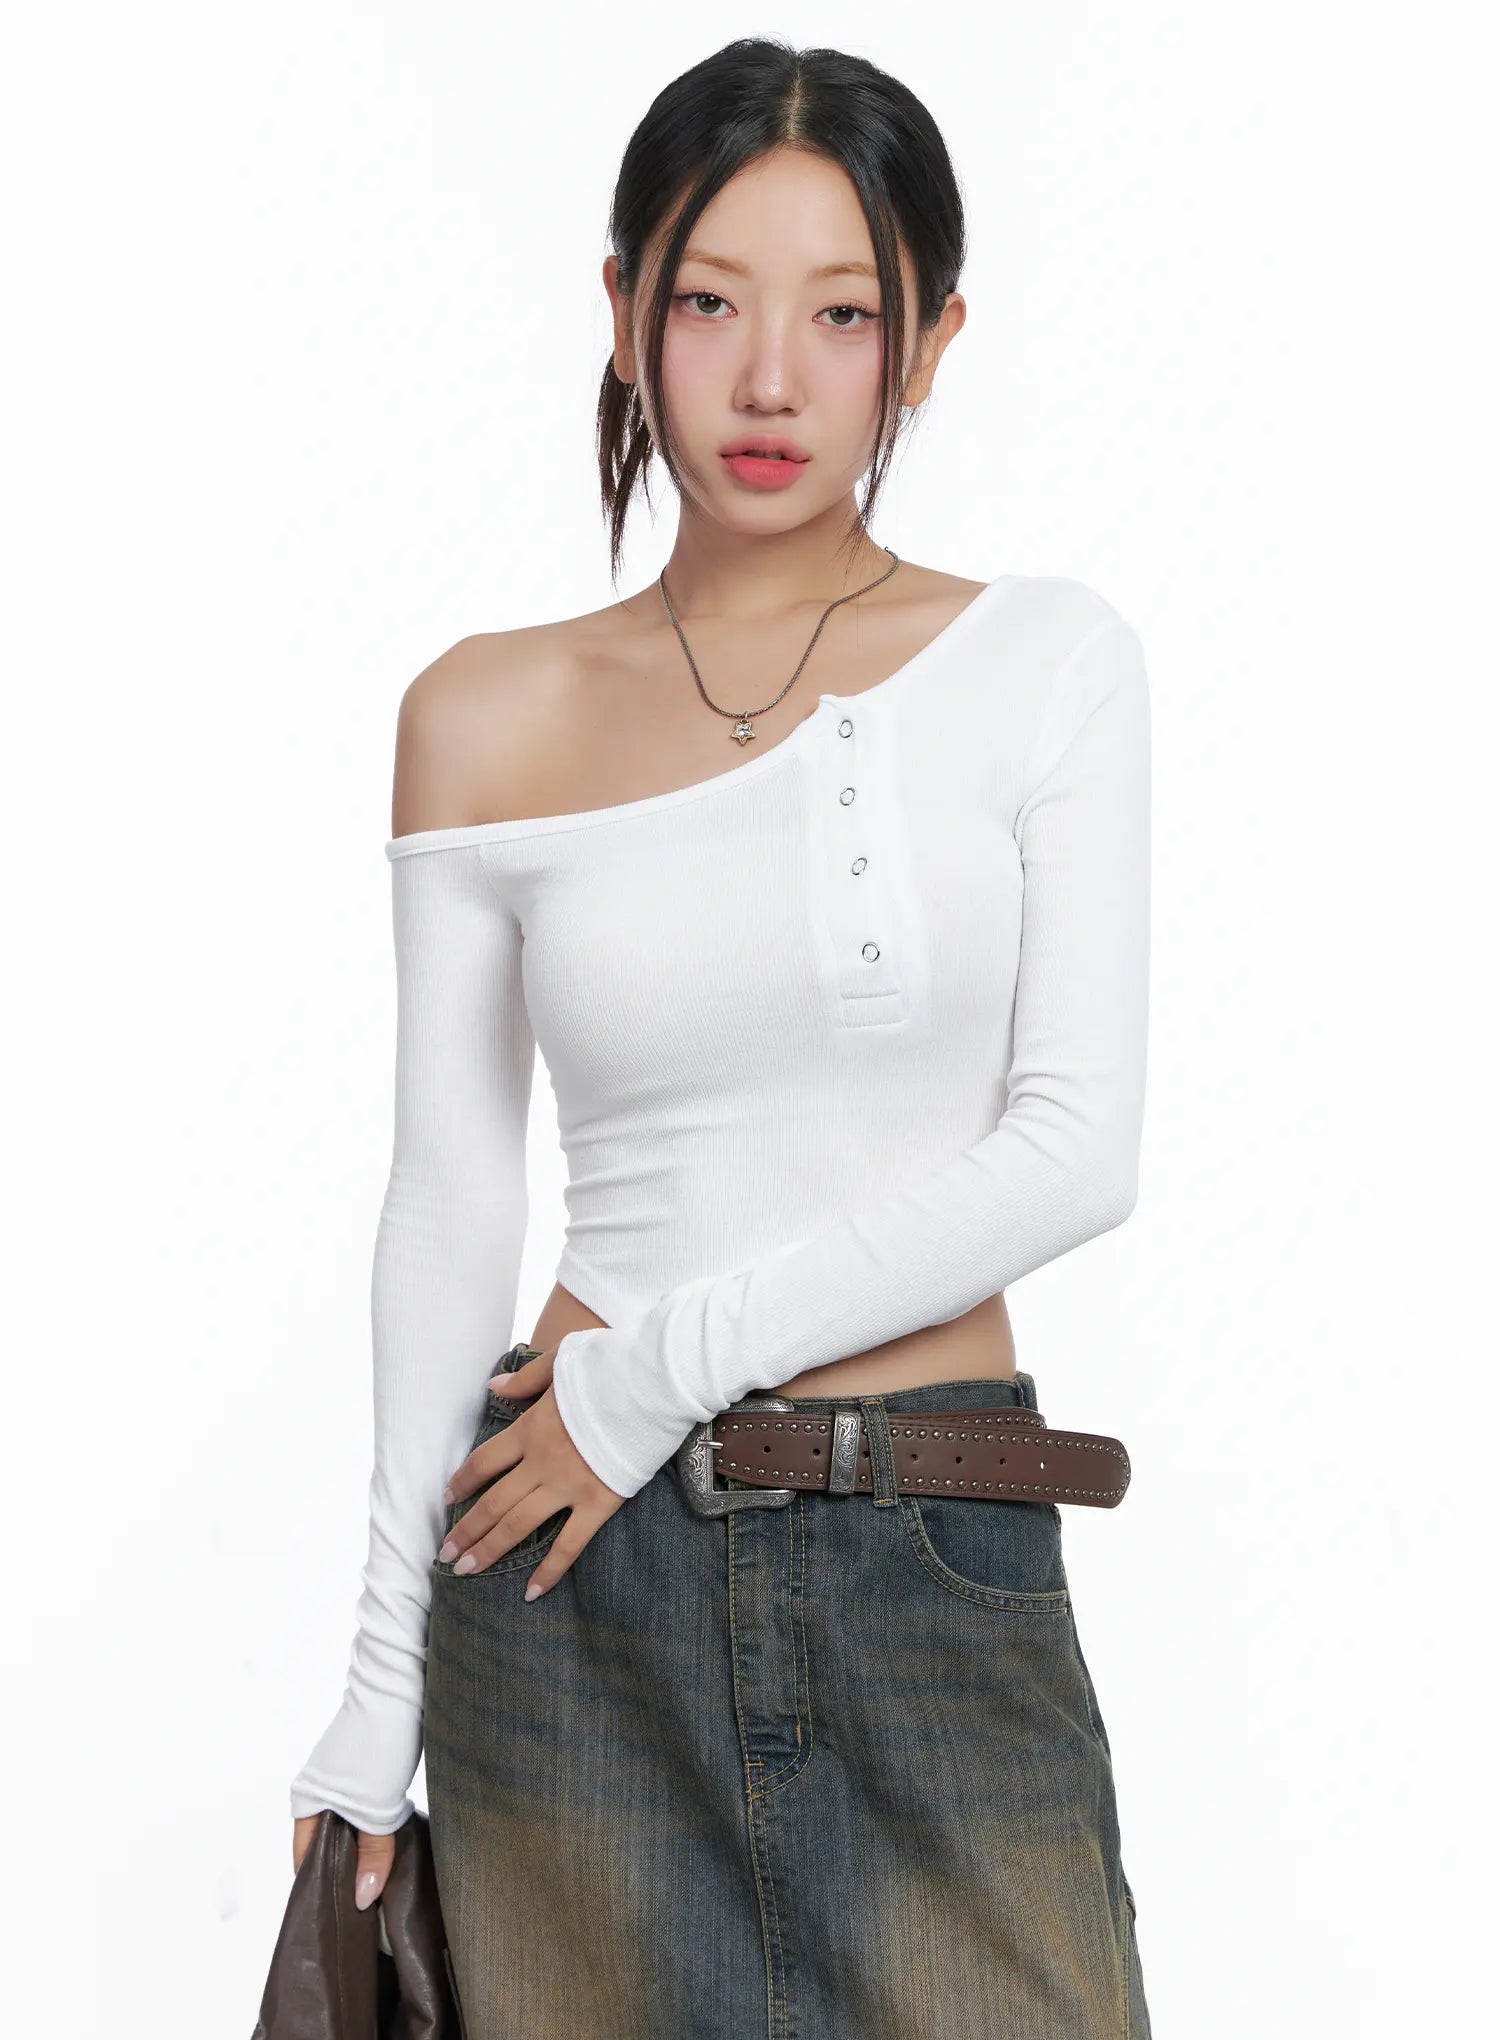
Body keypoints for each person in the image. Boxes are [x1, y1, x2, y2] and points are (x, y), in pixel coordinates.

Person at [288, 35, 1153, 2040]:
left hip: (931, 1546)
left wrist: (649, 1379)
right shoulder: (480, 715)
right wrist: (380, 1686)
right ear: (624, 314)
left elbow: (1074, 1148)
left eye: (843, 314)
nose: (771, 380)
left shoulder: (1046, 663)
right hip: (562, 1590)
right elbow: (450, 1198)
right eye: (708, 303)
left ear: (929, 343)